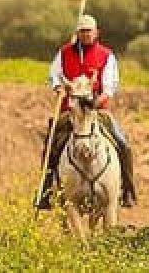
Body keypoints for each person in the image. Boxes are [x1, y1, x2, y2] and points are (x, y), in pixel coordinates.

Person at [35, 14, 137, 209]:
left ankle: (127, 191)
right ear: (77, 33)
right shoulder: (64, 53)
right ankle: (45, 192)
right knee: (51, 146)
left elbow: (109, 87)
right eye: (82, 31)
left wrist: (97, 102)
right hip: (71, 111)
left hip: (97, 111)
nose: (85, 34)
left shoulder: (107, 55)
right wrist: (59, 88)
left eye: (89, 31)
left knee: (123, 144)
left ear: (96, 32)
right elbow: (54, 76)